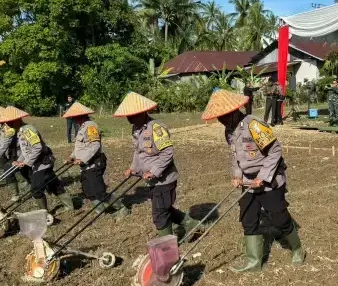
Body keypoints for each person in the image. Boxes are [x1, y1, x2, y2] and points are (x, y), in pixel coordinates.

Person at [200, 90, 304, 272]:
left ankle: (297, 249)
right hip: (248, 182)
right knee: (248, 219)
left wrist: (262, 177)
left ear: (233, 111)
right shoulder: (229, 131)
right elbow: (237, 157)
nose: (220, 120)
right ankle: (254, 261)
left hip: (269, 179)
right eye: (218, 118)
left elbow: (275, 152)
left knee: (279, 218)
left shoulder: (254, 125)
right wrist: (238, 176)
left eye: (223, 116)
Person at [116, 91, 198, 236]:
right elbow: (138, 152)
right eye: (128, 116)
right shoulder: (136, 129)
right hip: (152, 180)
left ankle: (168, 245)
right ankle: (191, 224)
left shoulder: (156, 128)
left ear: (142, 113)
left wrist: (153, 171)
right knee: (164, 207)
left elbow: (167, 152)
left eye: (133, 115)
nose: (129, 118)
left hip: (164, 179)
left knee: (159, 214)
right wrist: (133, 168)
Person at [0, 106, 74, 215]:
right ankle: (70, 207)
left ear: (15, 120)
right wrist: (20, 161)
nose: (7, 125)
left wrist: (26, 162)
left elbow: (37, 148)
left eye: (8, 122)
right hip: (37, 162)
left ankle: (45, 214)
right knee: (53, 183)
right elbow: (26, 151)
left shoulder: (28, 130)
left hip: (43, 162)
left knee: (36, 190)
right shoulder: (20, 131)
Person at [63, 101, 129, 220]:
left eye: (74, 117)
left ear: (80, 116)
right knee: (87, 190)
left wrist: (82, 159)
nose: (73, 120)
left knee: (99, 191)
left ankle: (122, 208)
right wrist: (71, 157)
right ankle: (100, 211)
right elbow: (80, 147)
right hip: (85, 165)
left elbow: (94, 146)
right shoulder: (81, 127)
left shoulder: (90, 126)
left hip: (94, 163)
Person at [0, 109, 27, 200]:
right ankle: (22, 183)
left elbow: (5, 144)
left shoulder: (13, 128)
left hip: (20, 152)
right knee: (9, 168)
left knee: (8, 169)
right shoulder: (5, 126)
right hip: (12, 152)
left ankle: (17, 193)